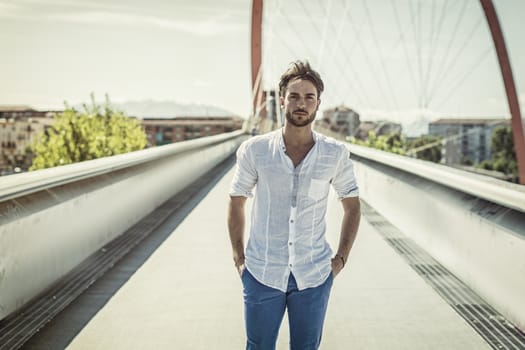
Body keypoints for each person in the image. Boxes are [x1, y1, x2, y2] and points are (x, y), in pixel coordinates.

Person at [227, 60, 361, 349]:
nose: (302, 104)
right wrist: (239, 260)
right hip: (262, 273)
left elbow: (352, 205)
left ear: (318, 103)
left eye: (309, 97)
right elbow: (236, 201)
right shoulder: (256, 150)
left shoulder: (334, 153)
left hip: (313, 276)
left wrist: (340, 260)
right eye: (295, 96)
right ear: (282, 101)